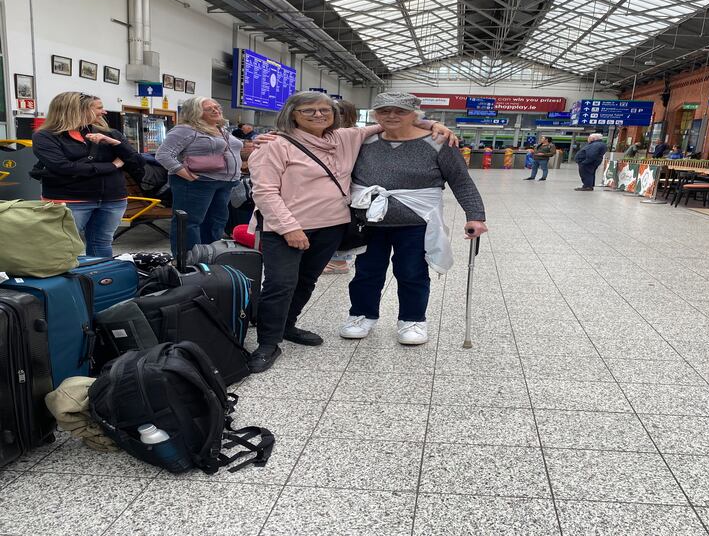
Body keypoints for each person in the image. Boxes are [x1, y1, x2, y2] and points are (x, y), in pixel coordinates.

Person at [246, 91, 455, 372]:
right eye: (309, 111)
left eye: (325, 110)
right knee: (280, 283)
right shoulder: (274, 145)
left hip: (331, 226)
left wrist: (432, 125)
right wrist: (290, 228)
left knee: (306, 280)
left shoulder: (344, 137)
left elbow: (391, 122)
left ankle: (287, 326)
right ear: (292, 114)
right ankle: (267, 344)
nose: (318, 115)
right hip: (286, 228)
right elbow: (265, 192)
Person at [338, 92, 488, 345]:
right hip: (370, 223)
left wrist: (475, 216)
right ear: (375, 115)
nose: (392, 116)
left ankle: (412, 320)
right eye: (384, 111)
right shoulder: (363, 141)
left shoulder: (438, 142)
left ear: (414, 115)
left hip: (416, 223)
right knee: (366, 272)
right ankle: (361, 315)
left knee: (412, 272)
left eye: (400, 111)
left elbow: (461, 181)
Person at [32, 92, 141, 257]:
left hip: (113, 199)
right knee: (64, 246)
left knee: (102, 242)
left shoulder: (110, 134)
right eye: (99, 108)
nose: (104, 112)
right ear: (77, 110)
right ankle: (68, 281)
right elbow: (64, 167)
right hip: (71, 200)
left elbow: (137, 163)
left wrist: (115, 144)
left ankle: (100, 279)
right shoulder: (45, 136)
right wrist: (112, 165)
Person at [155, 97, 243, 256]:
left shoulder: (220, 129)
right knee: (189, 223)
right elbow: (163, 154)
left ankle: (209, 257)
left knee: (216, 222)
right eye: (209, 109)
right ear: (195, 112)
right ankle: (187, 261)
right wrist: (187, 175)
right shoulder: (186, 129)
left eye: (217, 107)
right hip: (198, 183)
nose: (216, 110)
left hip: (224, 183)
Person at [324, 99, 360, 275]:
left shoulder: (353, 134)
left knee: (339, 224)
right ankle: (336, 259)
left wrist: (432, 124)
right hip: (330, 191)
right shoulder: (323, 133)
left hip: (345, 189)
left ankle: (339, 260)